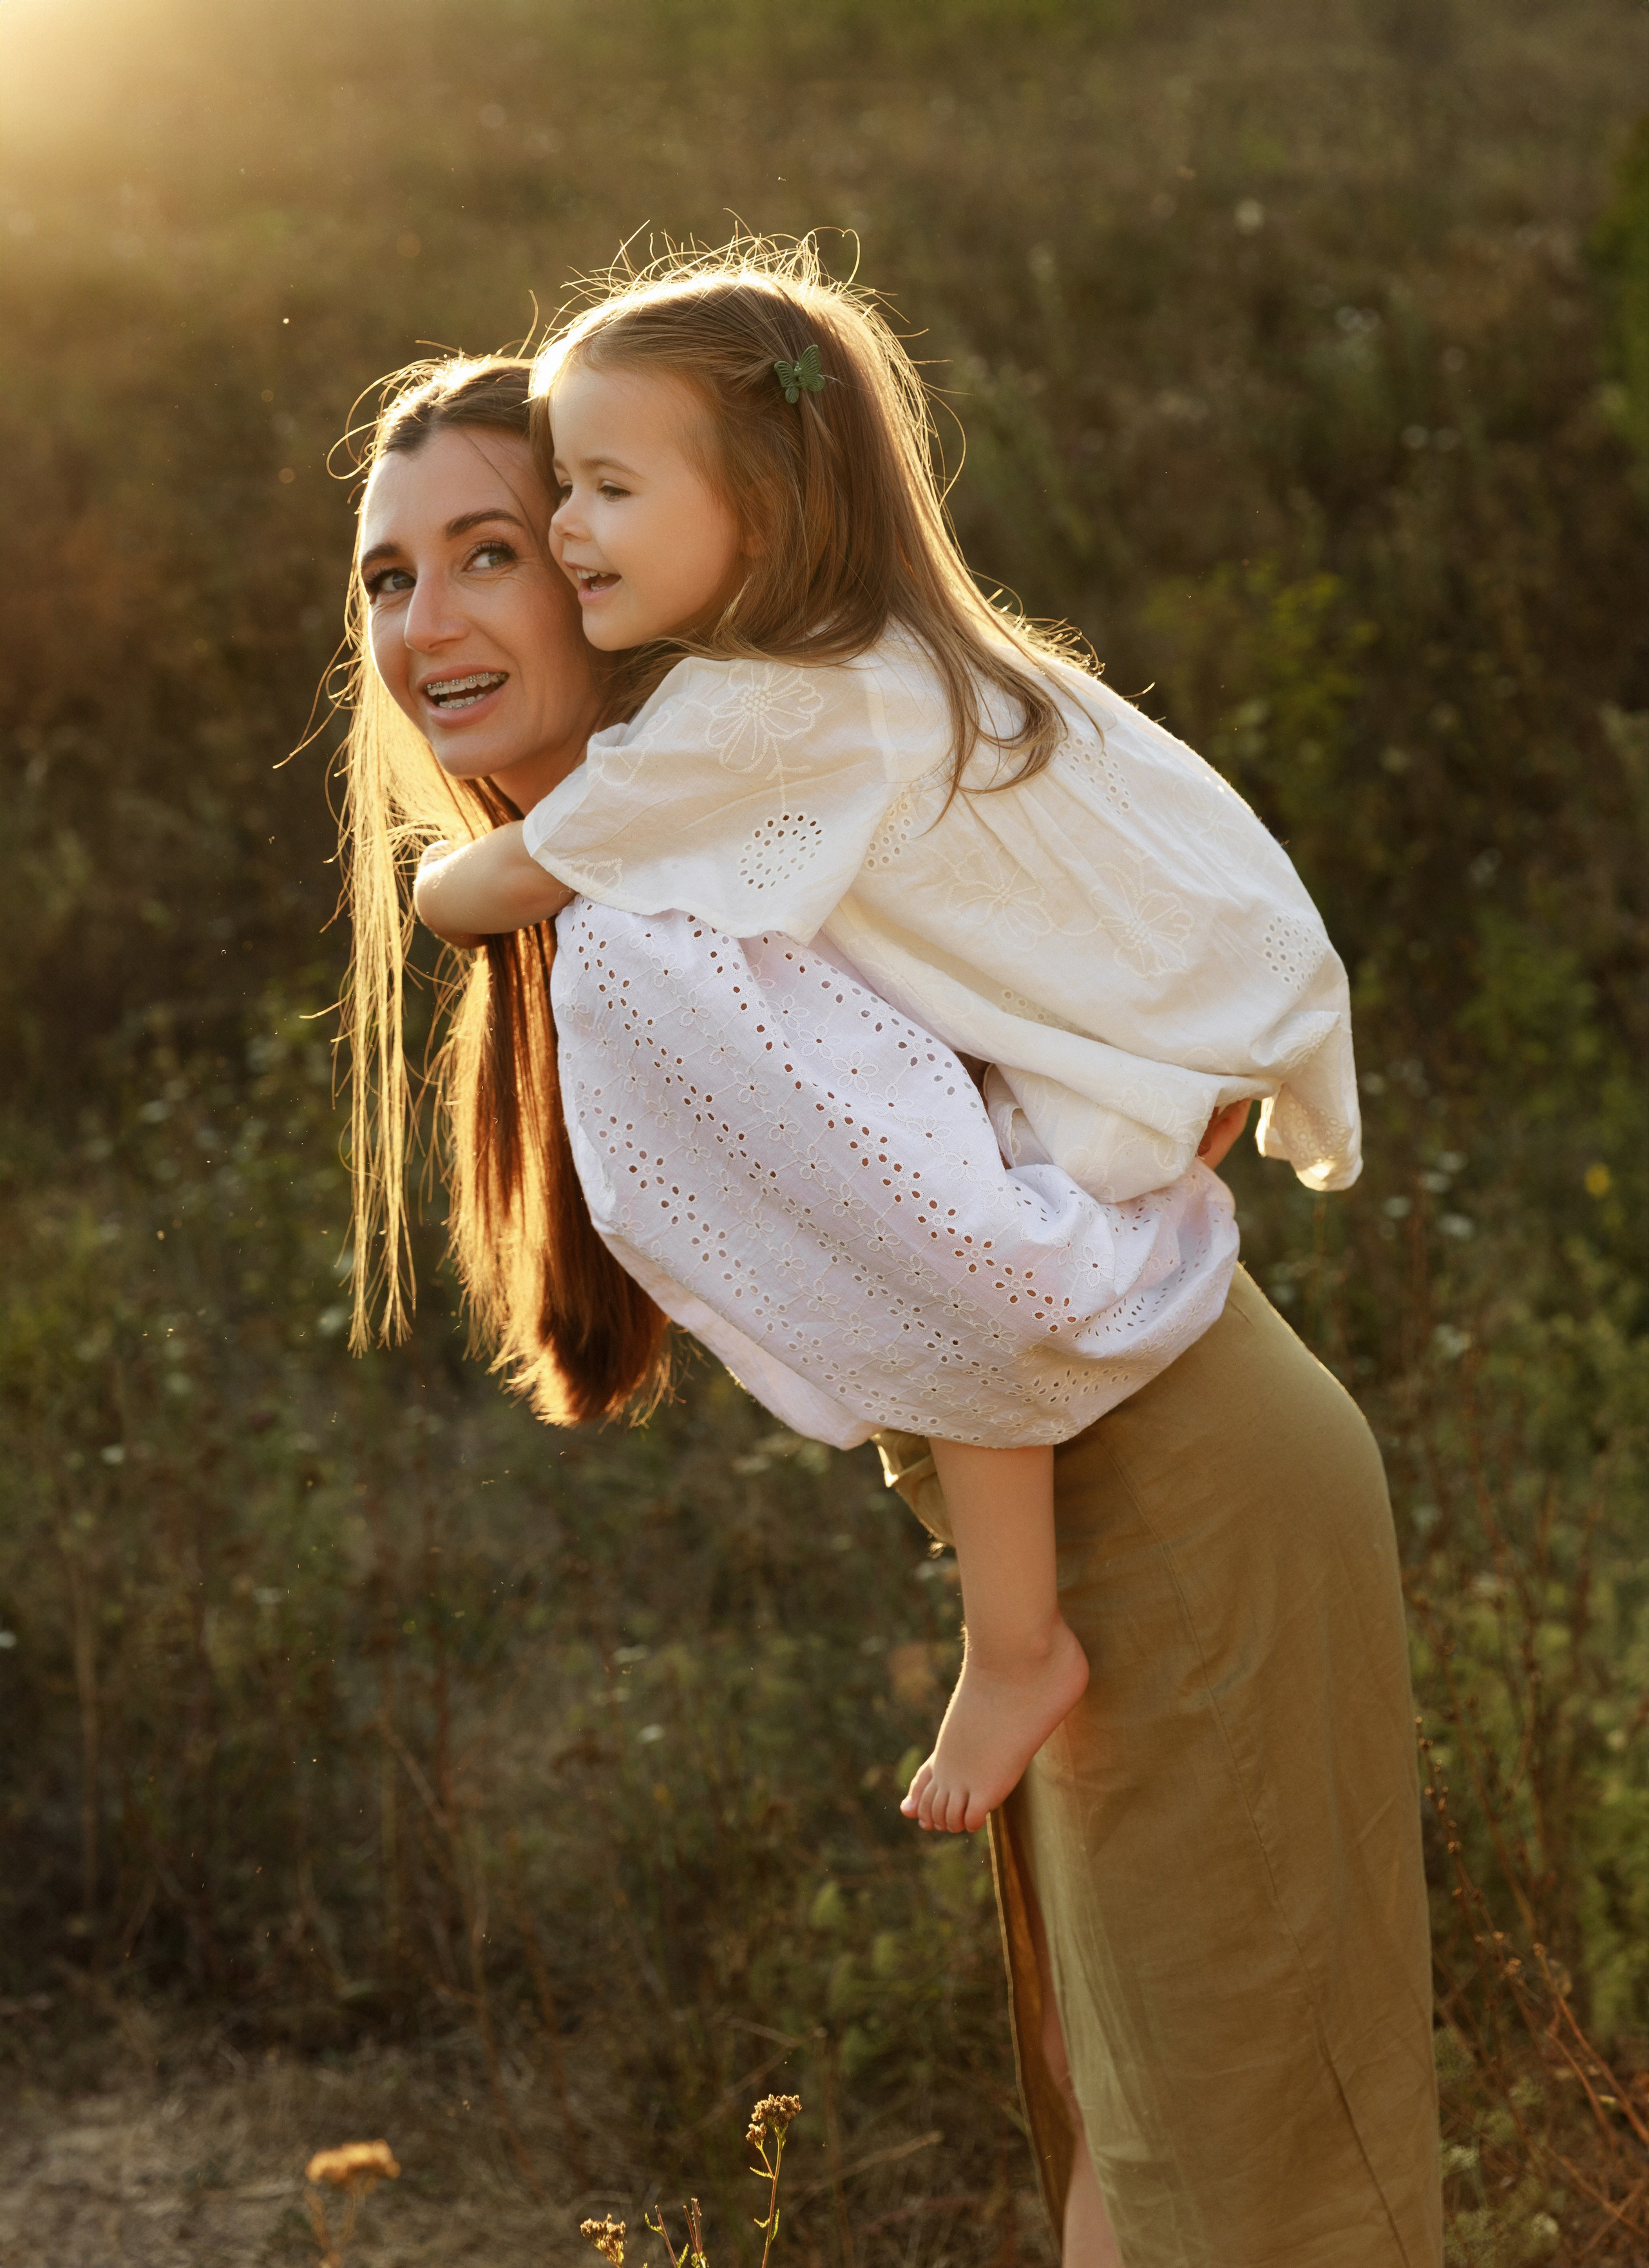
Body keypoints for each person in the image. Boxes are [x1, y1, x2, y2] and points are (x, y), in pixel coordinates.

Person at [344, 344, 1441, 2267]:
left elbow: (1002, 1298)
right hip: (1137, 1507)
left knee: (1250, 2189)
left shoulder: (647, 924)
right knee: (1139, 2145)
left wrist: (1146, 1187)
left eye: (499, 548)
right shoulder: (704, 848)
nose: (428, 621)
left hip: (1178, 1508)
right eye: (384, 573)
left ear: (631, 579)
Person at [415, 245, 1360, 1844]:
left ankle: (1013, 1642)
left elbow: (489, 890)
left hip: (1184, 1465)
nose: (572, 532)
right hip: (1183, 1035)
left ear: (763, 514)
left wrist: (428, 875)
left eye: (595, 493)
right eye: (559, 496)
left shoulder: (742, 727)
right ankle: (1022, 1639)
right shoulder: (898, 652)